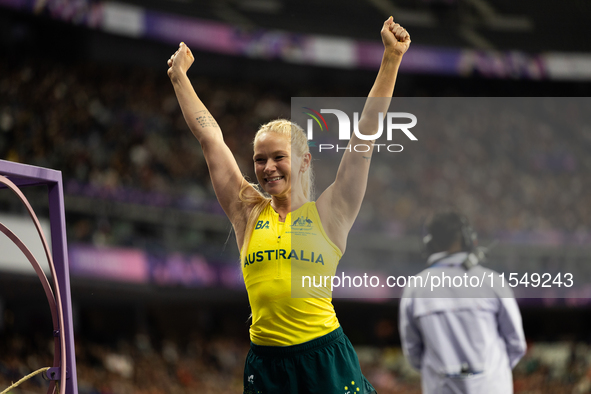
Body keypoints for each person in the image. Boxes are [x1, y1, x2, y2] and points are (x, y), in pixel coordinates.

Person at [167, 17, 410, 394]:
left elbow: (366, 133)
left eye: (278, 157)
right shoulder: (247, 211)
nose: (267, 168)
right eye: (259, 159)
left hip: (323, 357)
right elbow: (210, 138)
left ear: (304, 160)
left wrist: (391, 58)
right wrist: (180, 78)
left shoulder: (331, 212)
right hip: (266, 364)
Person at [399, 211, 527, 394]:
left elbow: (413, 353)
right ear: (468, 238)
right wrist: (491, 374)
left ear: (429, 243)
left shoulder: (415, 288)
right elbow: (516, 344)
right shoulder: (493, 282)